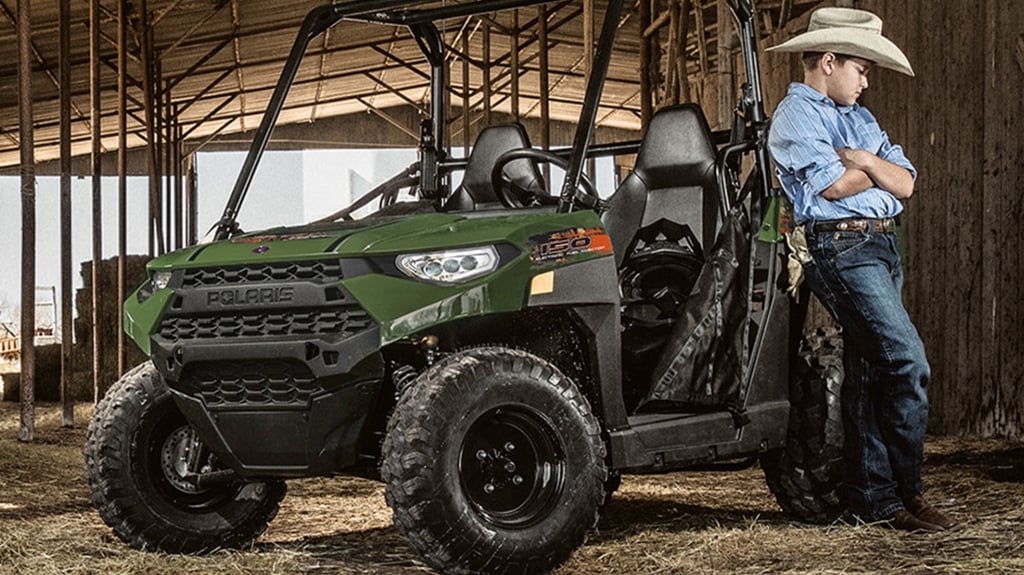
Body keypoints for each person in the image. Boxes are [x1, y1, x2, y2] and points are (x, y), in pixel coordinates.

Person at [767, 8, 957, 532]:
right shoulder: (795, 117)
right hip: (842, 247)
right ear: (829, 62)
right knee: (906, 360)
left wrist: (867, 162)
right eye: (861, 67)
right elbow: (831, 186)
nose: (867, 79)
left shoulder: (860, 121)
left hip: (882, 245)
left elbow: (907, 182)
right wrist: (871, 170)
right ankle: (909, 491)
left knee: (872, 371)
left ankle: (874, 500)